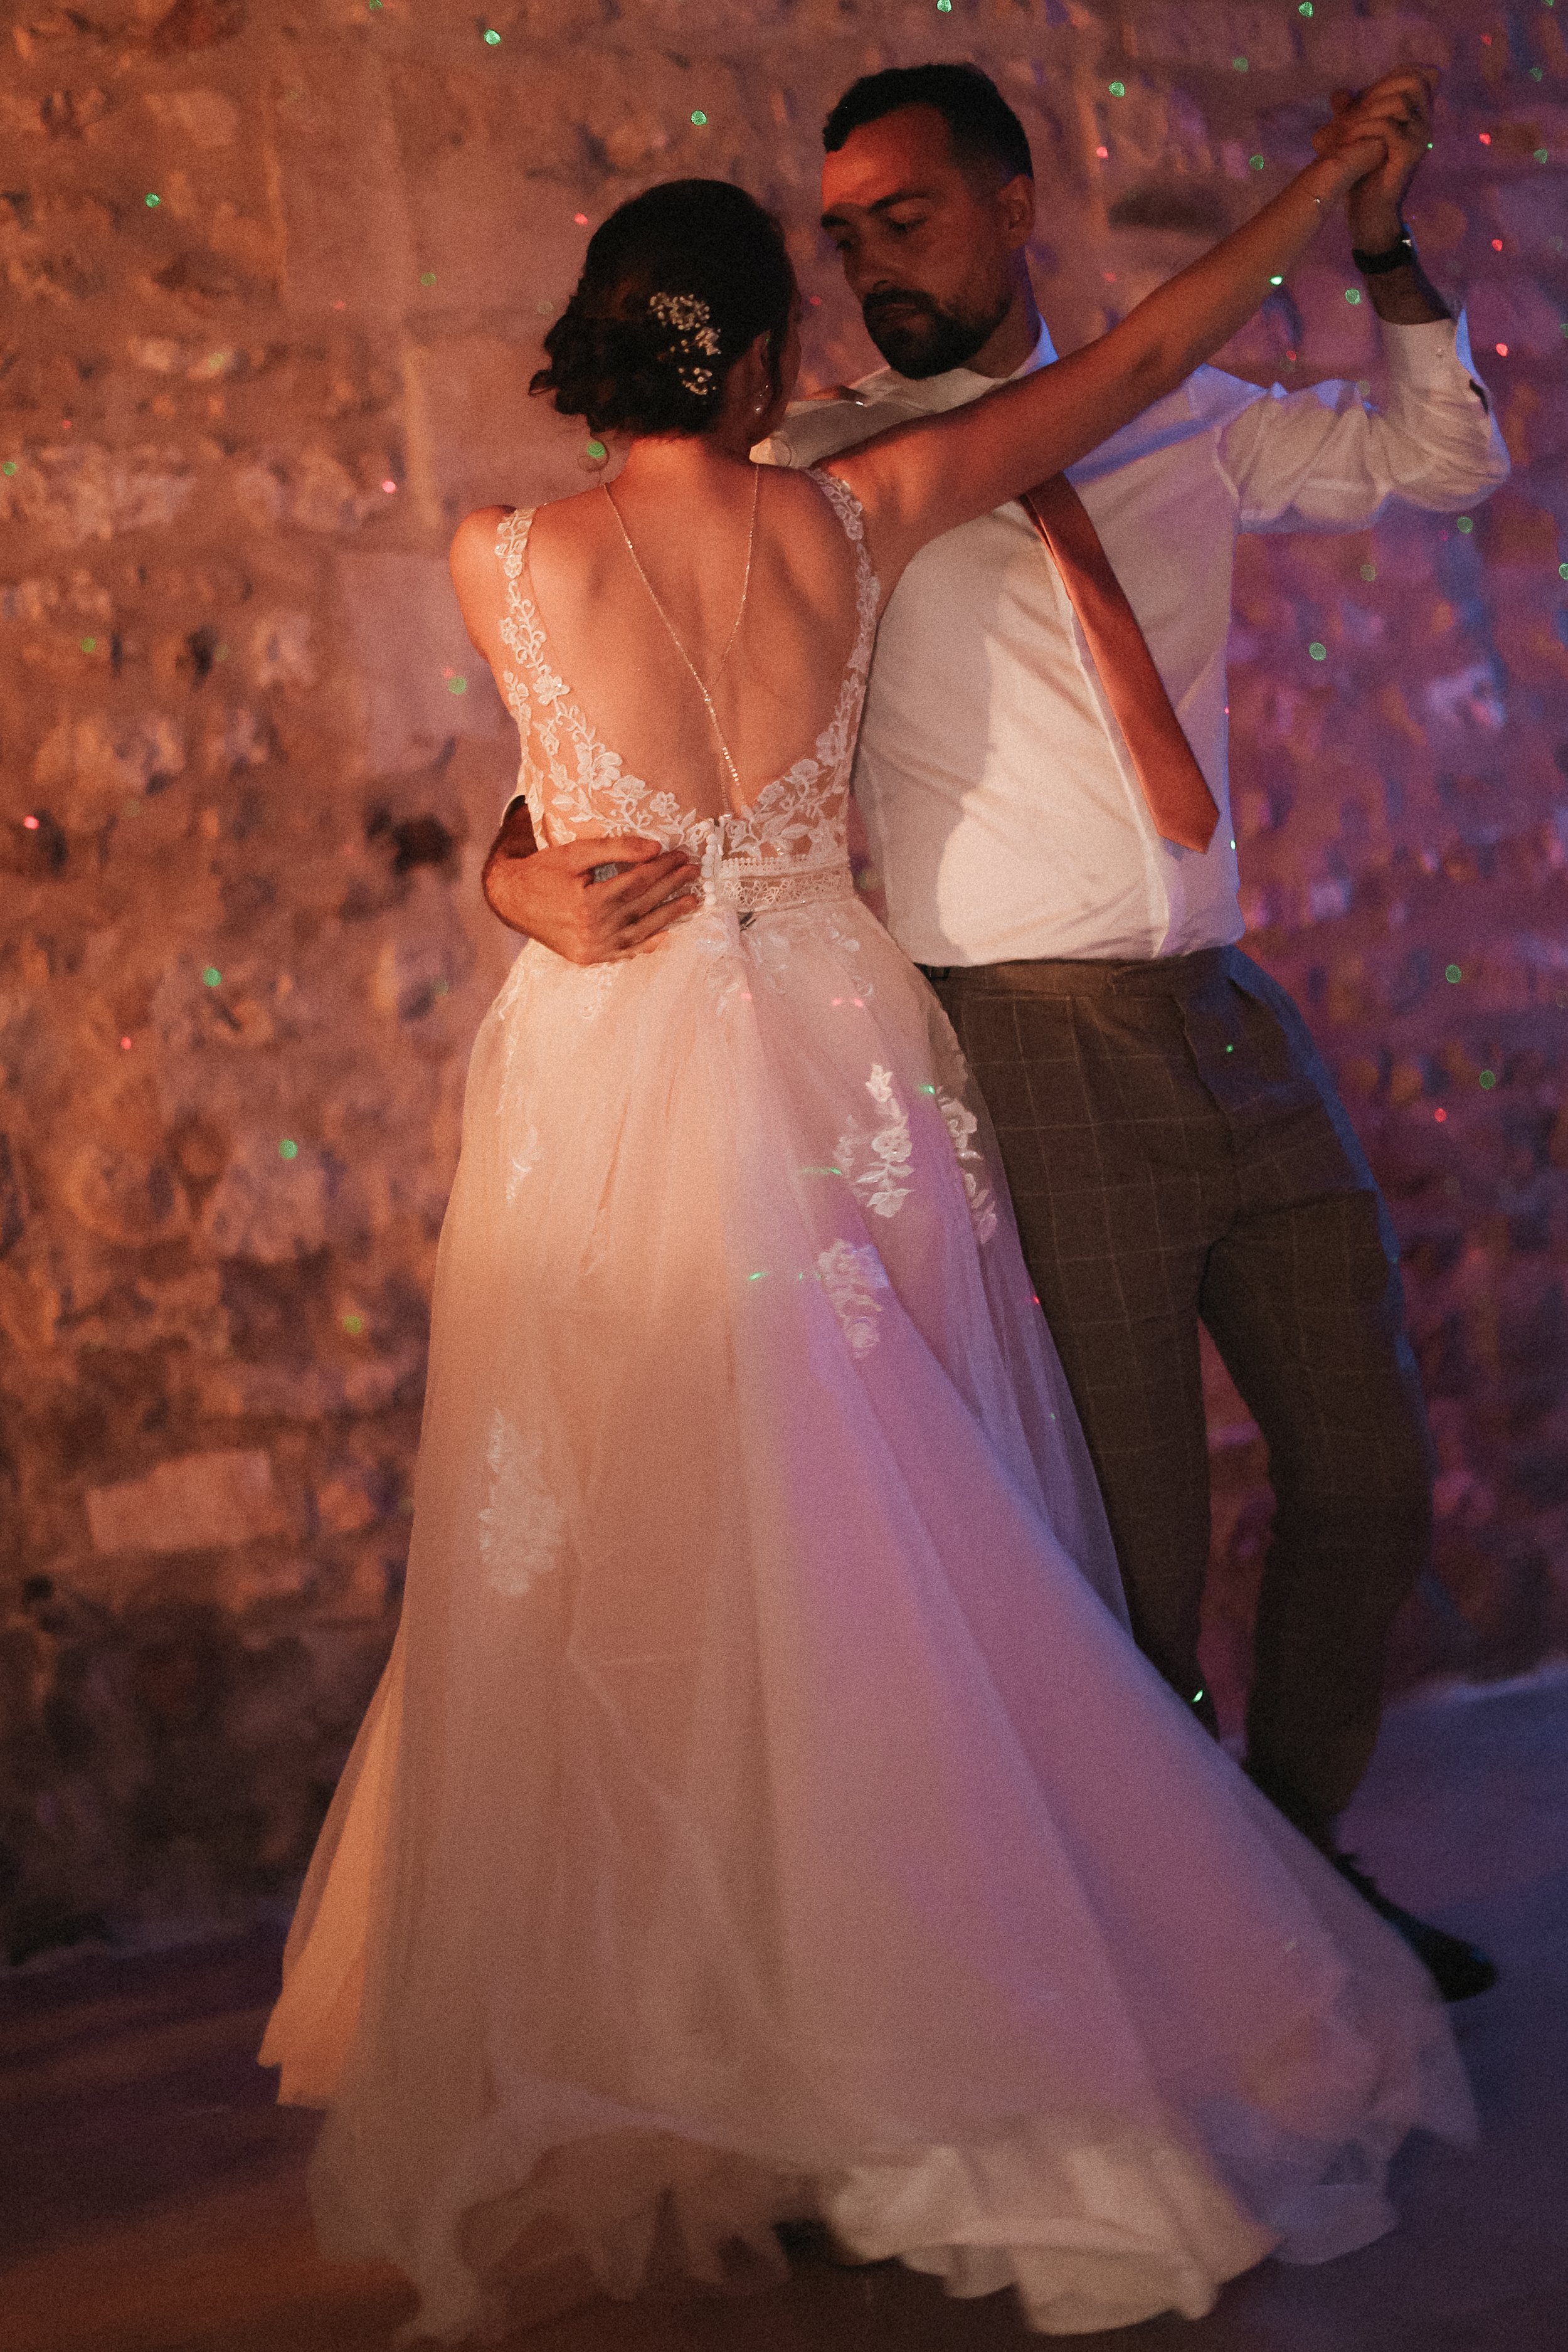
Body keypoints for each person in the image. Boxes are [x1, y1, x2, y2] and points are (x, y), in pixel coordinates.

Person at [262, 142, 1476, 2346]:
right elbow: (1138, 362)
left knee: (654, 1548)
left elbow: (548, 785)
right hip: (841, 1047)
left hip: (619, 1069)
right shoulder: (852, 510)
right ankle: (948, 2007)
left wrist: (525, 879)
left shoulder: (499, 554)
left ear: (603, 336)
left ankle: (721, 2026)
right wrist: (1316, 192)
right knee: (901, 1540)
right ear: (759, 352)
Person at [489, 62, 1510, 2003]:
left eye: (908, 216)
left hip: (1226, 1011)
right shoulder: (832, 486)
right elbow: (618, 723)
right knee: (1123, 1561)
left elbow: (1442, 460)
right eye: (844, 234)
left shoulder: (1186, 415)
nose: (872, 261)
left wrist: (1373, 247)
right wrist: (506, 871)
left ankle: (1289, 1884)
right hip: (1016, 1039)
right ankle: (1165, 1952)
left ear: (1013, 196)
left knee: (1367, 1476)